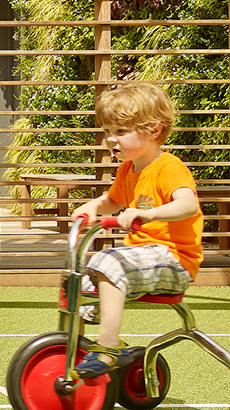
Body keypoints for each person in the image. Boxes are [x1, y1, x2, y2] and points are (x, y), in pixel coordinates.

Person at [69, 81, 204, 379]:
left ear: (153, 130)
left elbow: (188, 205)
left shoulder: (168, 167)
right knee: (79, 281)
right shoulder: (128, 169)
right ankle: (74, 351)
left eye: (120, 131)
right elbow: (114, 201)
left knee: (107, 260)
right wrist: (93, 206)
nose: (109, 139)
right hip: (142, 259)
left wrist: (148, 213)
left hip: (174, 261)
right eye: (107, 131)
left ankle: (109, 347)